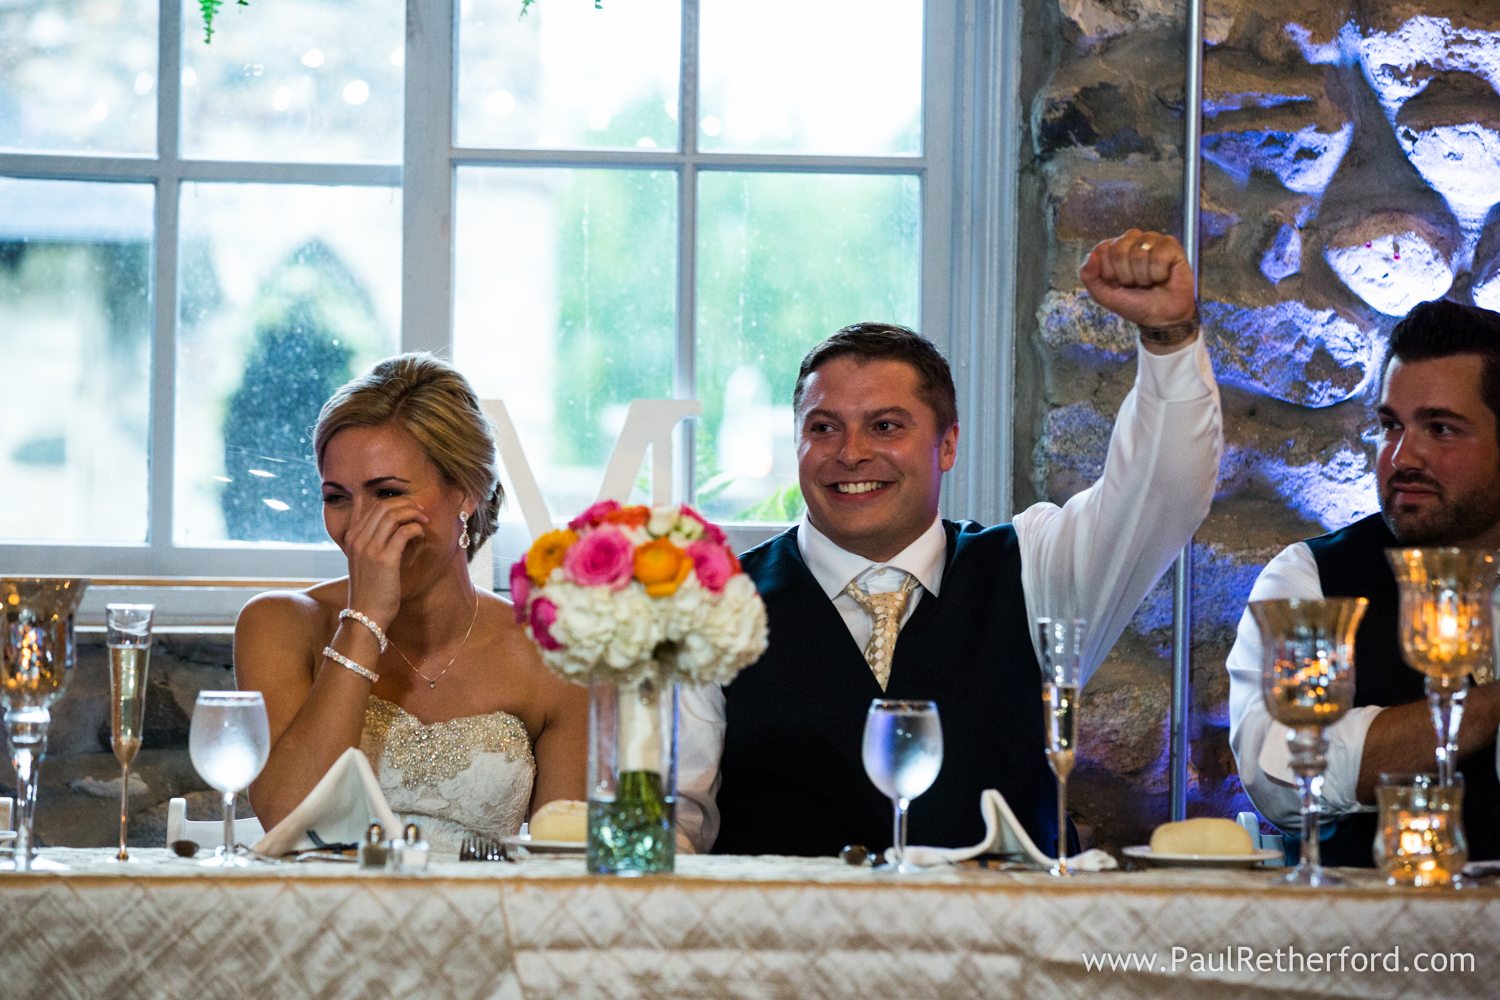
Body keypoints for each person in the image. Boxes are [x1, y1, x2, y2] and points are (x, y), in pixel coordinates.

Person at [677, 230, 1223, 857]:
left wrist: (1170, 338)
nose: (850, 453)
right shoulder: (714, 603)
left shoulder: (1035, 567)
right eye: (823, 428)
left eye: (885, 426)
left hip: (1009, 944)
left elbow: (1165, 492)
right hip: (784, 946)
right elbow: (679, 819)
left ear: (947, 445)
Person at [236, 353, 587, 851]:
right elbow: (287, 816)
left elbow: (563, 863)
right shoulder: (278, 623)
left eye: (386, 493)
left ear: (467, 492)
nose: (357, 527)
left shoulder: (549, 650)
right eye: (337, 497)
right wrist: (364, 622)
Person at [1228, 299, 1500, 865]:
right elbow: (1279, 769)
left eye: (1441, 428)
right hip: (1365, 941)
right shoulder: (1313, 578)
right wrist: (1487, 709)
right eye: (1389, 426)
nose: (1402, 456)